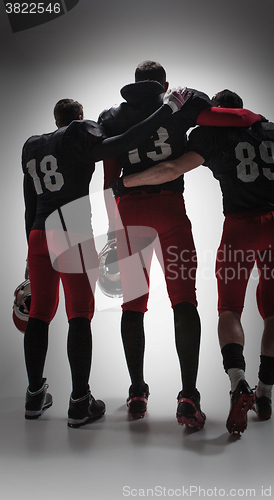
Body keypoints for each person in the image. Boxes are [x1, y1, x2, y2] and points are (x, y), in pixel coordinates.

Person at [112, 89, 274, 434]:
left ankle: (237, 380)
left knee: (229, 309)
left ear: (216, 113)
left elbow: (170, 168)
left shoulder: (210, 135)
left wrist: (125, 182)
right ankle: (265, 392)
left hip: (239, 228)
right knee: (273, 311)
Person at [98, 61, 264, 428]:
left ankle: (137, 391)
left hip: (129, 211)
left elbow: (110, 179)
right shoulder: (179, 101)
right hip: (171, 209)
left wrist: (114, 229)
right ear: (164, 83)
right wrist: (254, 116)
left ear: (135, 83)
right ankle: (188, 396)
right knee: (184, 301)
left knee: (133, 305)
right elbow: (234, 119)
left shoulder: (111, 116)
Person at [22, 91, 190, 427]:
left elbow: (29, 202)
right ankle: (80, 401)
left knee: (40, 312)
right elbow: (125, 140)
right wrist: (168, 110)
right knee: (79, 314)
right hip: (71, 232)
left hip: (39, 233)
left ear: (55, 119)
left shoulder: (32, 145)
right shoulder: (82, 132)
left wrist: (29, 252)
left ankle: (34, 395)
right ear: (80, 116)